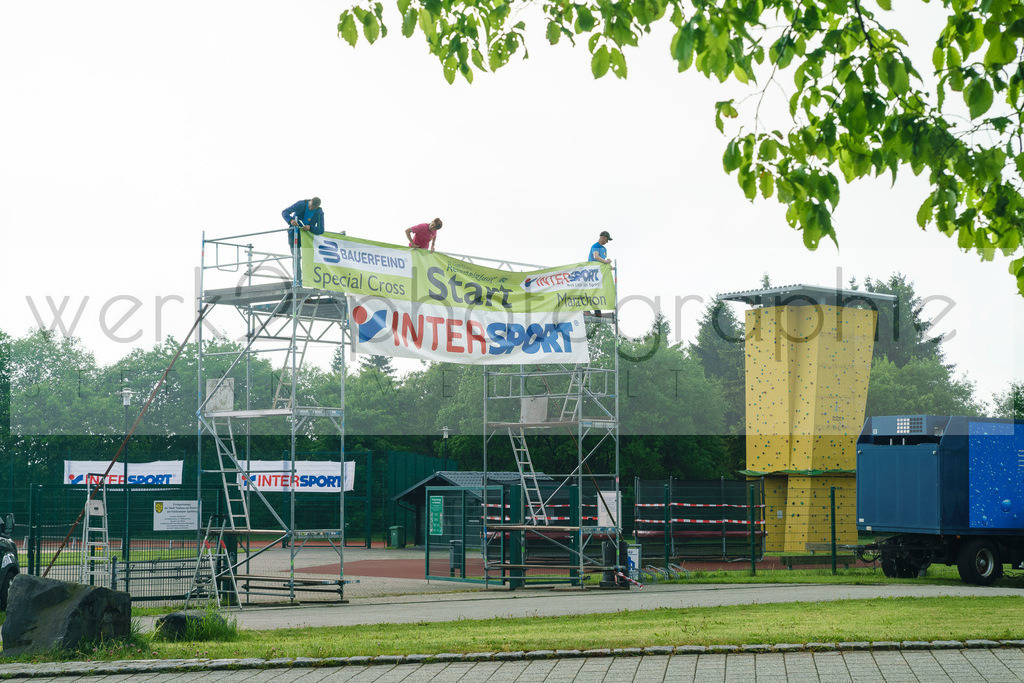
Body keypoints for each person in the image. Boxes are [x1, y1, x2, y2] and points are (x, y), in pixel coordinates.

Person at [281, 197, 324, 283]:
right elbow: (284, 212)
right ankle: (297, 281)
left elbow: (321, 229)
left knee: (309, 259)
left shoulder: (319, 212)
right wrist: (291, 220)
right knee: (296, 257)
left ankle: (312, 282)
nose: (310, 208)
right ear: (310, 201)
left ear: (317, 207)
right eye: (310, 206)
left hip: (307, 238)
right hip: (294, 235)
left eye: (313, 208)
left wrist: (310, 227)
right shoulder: (301, 204)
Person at [587, 231, 612, 317]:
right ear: (603, 237)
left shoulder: (604, 249)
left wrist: (609, 266)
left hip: (599, 274)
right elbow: (596, 256)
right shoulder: (595, 246)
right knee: (591, 291)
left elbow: (603, 262)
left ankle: (597, 311)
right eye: (607, 240)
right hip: (592, 273)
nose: (607, 242)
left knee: (598, 292)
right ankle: (587, 310)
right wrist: (605, 261)